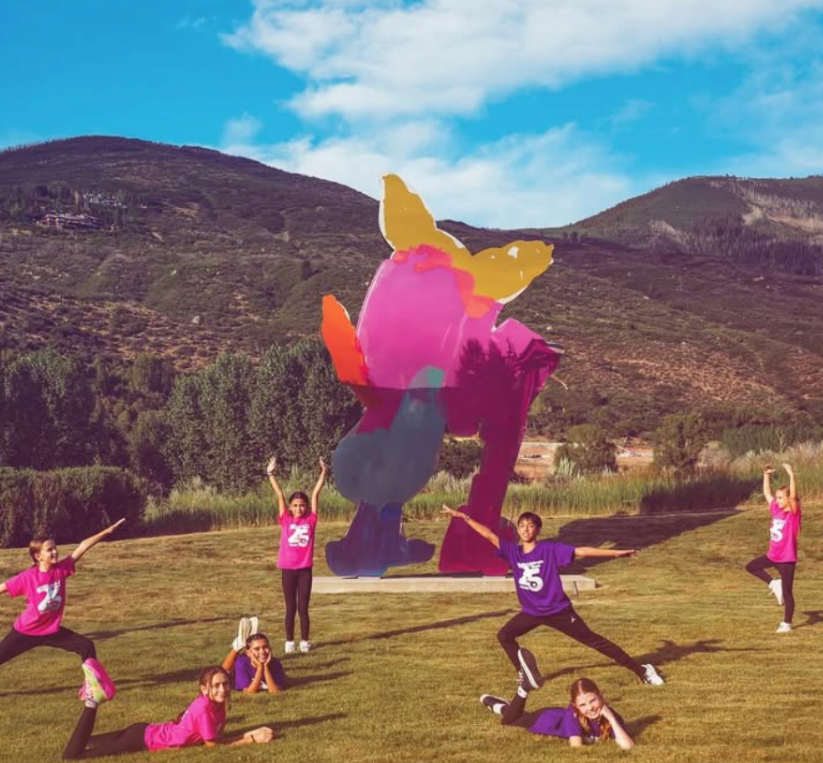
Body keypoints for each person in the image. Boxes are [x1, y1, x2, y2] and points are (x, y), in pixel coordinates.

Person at [441, 506, 664, 686]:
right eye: (522, 526)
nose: (525, 529)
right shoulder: (513, 552)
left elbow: (581, 551)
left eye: (530, 526)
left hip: (558, 611)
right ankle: (526, 674)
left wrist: (616, 553)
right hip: (532, 612)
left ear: (538, 530)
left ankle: (642, 670)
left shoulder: (549, 550)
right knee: (504, 636)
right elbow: (489, 534)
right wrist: (463, 517)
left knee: (594, 641)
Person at [63, 663, 275, 759]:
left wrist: (249, 733)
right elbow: (213, 746)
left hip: (145, 730)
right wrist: (251, 739)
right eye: (216, 685)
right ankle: (92, 700)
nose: (222, 689)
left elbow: (217, 738)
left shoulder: (218, 704)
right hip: (143, 739)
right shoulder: (204, 708)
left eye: (225, 684)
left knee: (87, 742)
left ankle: (92, 692)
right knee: (72, 756)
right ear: (204, 689)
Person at [0, 519, 125, 674]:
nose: (55, 552)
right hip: (27, 630)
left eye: (55, 548)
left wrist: (107, 531)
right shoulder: (27, 577)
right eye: (49, 550)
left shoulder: (61, 569)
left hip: (51, 631)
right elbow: (2, 587)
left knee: (86, 646)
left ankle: (93, 684)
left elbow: (82, 546)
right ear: (38, 556)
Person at [480, 652, 635, 749]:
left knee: (516, 714)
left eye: (592, 701)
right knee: (510, 721)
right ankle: (524, 688)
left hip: (558, 715)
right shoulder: (573, 714)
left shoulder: (611, 716)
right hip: (546, 720)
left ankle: (499, 704)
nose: (590, 708)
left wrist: (611, 719)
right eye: (582, 704)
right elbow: (576, 747)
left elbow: (628, 747)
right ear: (575, 705)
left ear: (601, 696)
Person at [267, 456, 327, 653]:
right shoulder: (285, 519)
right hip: (288, 570)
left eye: (302, 505)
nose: (298, 508)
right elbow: (279, 494)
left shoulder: (311, 520)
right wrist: (270, 474)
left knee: (303, 608)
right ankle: (289, 641)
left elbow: (316, 493)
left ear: (306, 506)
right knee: (290, 608)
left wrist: (324, 472)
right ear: (290, 507)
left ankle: (305, 641)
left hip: (304, 571)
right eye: (295, 505)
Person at [745, 463, 801, 633]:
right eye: (777, 497)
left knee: (787, 592)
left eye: (781, 498)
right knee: (751, 567)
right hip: (772, 556)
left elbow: (793, 498)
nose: (777, 500)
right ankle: (773, 583)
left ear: (788, 499)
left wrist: (791, 475)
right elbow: (767, 493)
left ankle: (787, 624)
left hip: (786, 560)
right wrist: (766, 475)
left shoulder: (793, 514)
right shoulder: (776, 509)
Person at [221, 616, 286, 693]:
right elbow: (249, 692)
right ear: (248, 653)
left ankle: (247, 642)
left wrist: (265, 666)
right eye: (257, 649)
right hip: (230, 676)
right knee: (222, 673)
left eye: (265, 647)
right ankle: (238, 646)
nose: (262, 651)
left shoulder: (276, 663)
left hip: (250, 657)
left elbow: (275, 691)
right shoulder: (242, 663)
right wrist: (260, 668)